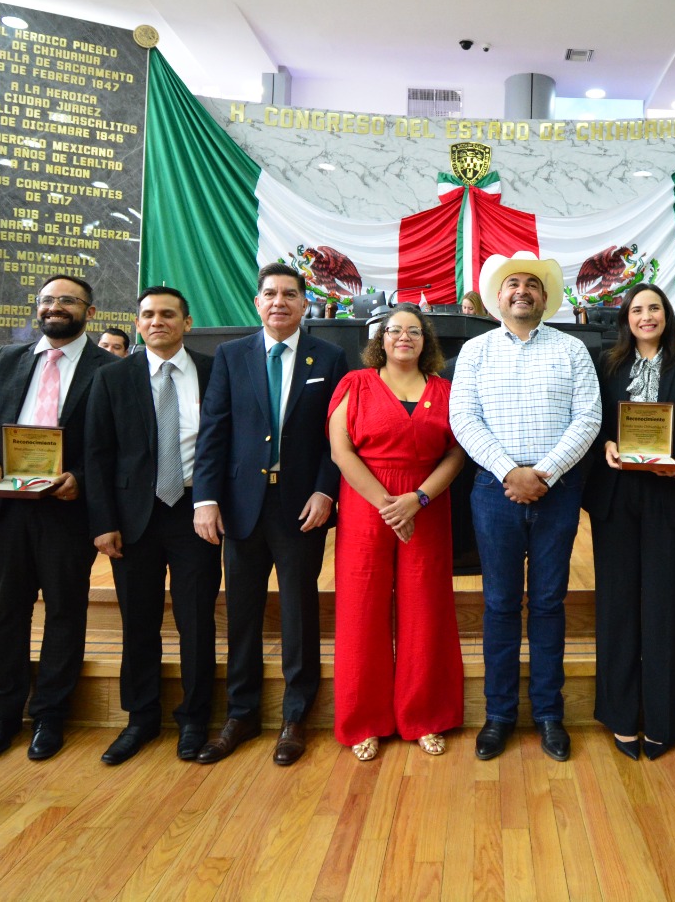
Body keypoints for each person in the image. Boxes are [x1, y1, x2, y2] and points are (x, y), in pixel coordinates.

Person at [192, 262, 349, 766]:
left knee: (299, 612)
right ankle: (241, 714)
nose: (279, 302)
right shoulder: (231, 356)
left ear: (304, 304)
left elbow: (337, 437)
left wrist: (326, 492)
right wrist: (205, 498)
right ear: (257, 303)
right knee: (242, 613)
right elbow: (214, 431)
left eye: (289, 294)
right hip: (240, 506)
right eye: (270, 294)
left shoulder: (330, 357)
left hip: (301, 507)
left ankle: (295, 717)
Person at [449, 251, 600, 762]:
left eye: (531, 285)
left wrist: (544, 473)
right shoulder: (475, 351)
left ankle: (549, 714)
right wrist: (509, 472)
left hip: (557, 492)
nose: (521, 291)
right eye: (512, 283)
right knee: (499, 604)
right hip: (495, 492)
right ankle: (499, 715)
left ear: (544, 297)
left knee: (550, 603)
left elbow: (588, 418)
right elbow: (463, 418)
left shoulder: (572, 350)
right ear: (498, 297)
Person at [0, 273, 116, 761]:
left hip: (67, 511)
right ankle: (3, 714)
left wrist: (81, 479)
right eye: (47, 300)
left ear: (90, 312)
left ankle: (50, 714)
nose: (55, 307)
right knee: (6, 612)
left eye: (67, 300)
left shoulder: (110, 369)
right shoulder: (9, 359)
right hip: (8, 507)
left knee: (65, 613)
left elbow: (117, 441)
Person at [84, 286, 218, 764]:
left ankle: (194, 719)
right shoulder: (112, 377)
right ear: (137, 323)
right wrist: (103, 522)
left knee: (196, 621)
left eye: (167, 314)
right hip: (132, 518)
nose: (157, 321)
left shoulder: (213, 371)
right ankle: (140, 718)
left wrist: (215, 502)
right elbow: (96, 454)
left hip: (195, 513)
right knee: (138, 622)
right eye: (147, 315)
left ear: (187, 322)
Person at [327, 305, 466, 760]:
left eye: (414, 331)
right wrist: (388, 505)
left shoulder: (445, 391)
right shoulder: (356, 384)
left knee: (425, 608)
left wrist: (417, 499)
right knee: (361, 609)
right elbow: (341, 451)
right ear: (381, 339)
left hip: (426, 503)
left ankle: (424, 715)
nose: (404, 337)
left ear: (426, 341)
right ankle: (363, 720)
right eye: (394, 330)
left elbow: (457, 452)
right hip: (366, 503)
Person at [584, 283, 675, 760]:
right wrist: (606, 444)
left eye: (654, 308)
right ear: (626, 318)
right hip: (616, 495)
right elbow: (593, 422)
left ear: (666, 315)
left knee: (664, 608)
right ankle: (620, 716)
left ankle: (663, 719)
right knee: (616, 605)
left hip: (669, 492)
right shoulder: (606, 363)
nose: (646, 316)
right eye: (637, 309)